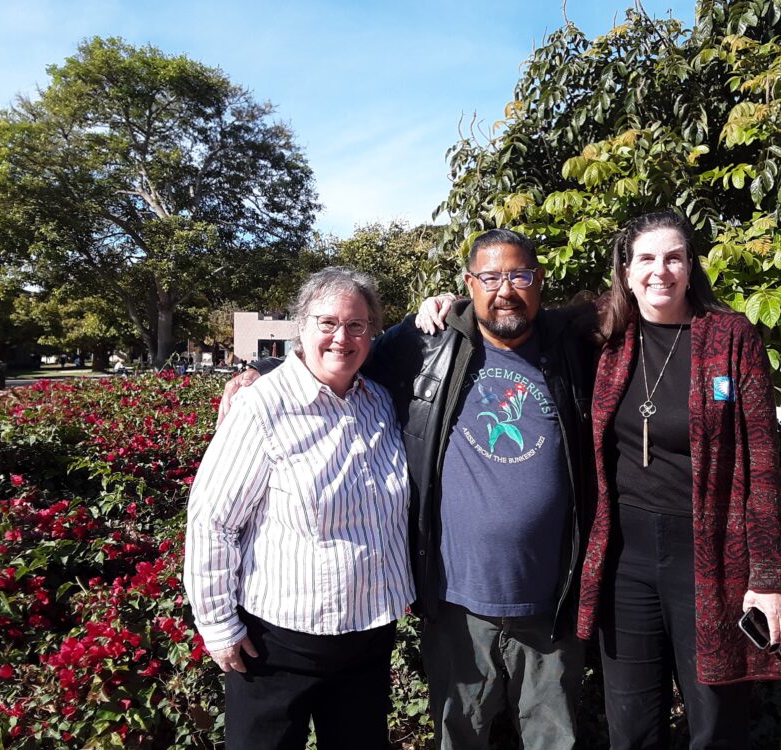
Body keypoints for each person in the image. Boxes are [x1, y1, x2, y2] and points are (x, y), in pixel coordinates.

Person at [221, 229, 596, 750]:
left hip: (550, 598)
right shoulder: (429, 344)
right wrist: (258, 370)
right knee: (458, 734)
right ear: (469, 284)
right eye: (490, 276)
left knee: (555, 739)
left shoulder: (573, 347)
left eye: (519, 275)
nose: (505, 289)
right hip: (455, 602)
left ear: (539, 283)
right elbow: (339, 357)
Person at [577, 211, 781, 749]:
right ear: (626, 271)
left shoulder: (731, 336)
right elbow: (513, 318)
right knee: (630, 727)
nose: (660, 271)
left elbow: (764, 467)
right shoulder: (605, 333)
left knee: (715, 721)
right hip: (626, 556)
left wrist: (767, 580)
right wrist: (452, 308)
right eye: (646, 259)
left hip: (710, 554)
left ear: (690, 265)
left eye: (673, 257)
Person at [185, 267, 413, 750]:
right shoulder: (261, 407)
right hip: (277, 645)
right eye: (327, 323)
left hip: (369, 637)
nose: (342, 337)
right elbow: (212, 521)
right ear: (301, 328)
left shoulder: (378, 402)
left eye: (357, 325)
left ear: (372, 332)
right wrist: (218, 626)